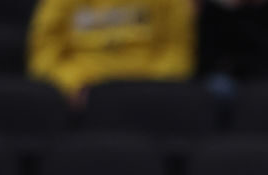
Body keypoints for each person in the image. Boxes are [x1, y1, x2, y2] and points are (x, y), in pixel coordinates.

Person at [27, 0, 195, 104]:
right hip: (83, 100)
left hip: (150, 95)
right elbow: (45, 55)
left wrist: (154, 88)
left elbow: (177, 51)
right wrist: (73, 85)